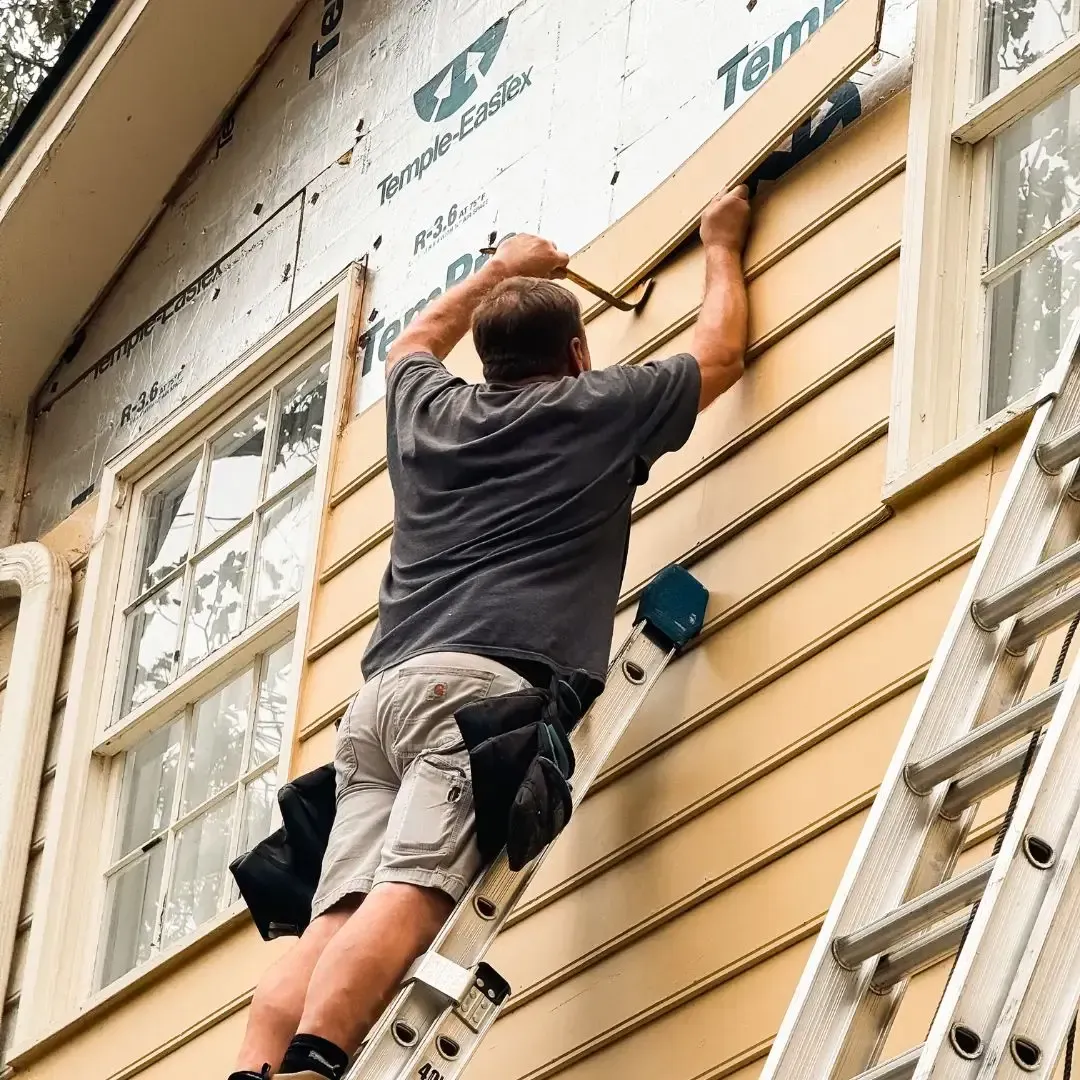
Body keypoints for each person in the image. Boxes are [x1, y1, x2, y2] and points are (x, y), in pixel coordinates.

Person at [228, 184, 752, 1080]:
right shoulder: (596, 409)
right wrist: (719, 244)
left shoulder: (430, 412)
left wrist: (498, 272)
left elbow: (410, 344)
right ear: (579, 352)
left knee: (335, 918)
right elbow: (721, 352)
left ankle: (252, 1070)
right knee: (407, 896)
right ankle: (314, 1071)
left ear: (488, 356)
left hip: (379, 707)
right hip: (476, 700)